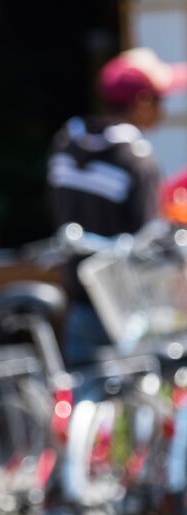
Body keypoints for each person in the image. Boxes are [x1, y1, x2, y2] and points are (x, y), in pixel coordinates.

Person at [47, 47, 187, 367]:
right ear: (141, 102)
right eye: (159, 100)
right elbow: (148, 237)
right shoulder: (137, 159)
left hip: (79, 301)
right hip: (128, 315)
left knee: (83, 394)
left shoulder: (67, 145)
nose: (163, 110)